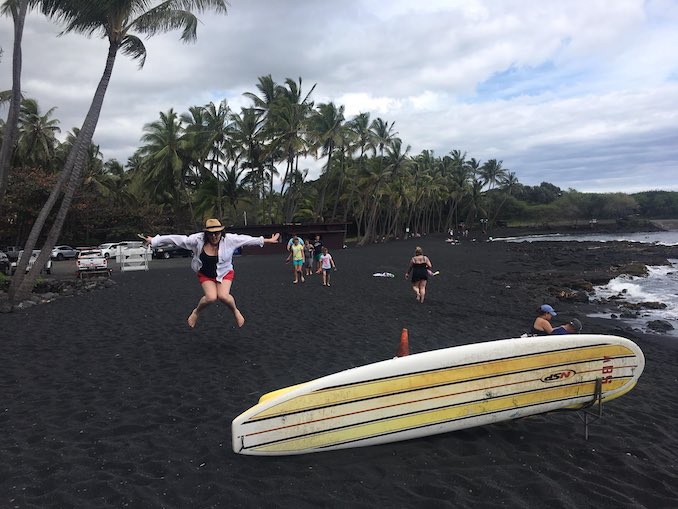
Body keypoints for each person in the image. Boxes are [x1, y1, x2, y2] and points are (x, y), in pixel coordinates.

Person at [144, 219, 280, 329]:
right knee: (210, 297)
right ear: (206, 234)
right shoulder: (197, 240)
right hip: (205, 274)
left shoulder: (230, 240)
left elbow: (247, 239)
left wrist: (267, 240)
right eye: (211, 233)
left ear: (222, 232)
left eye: (217, 233)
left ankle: (235, 311)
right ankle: (196, 312)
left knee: (223, 296)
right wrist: (155, 240)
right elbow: (177, 239)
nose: (214, 236)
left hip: (224, 272)